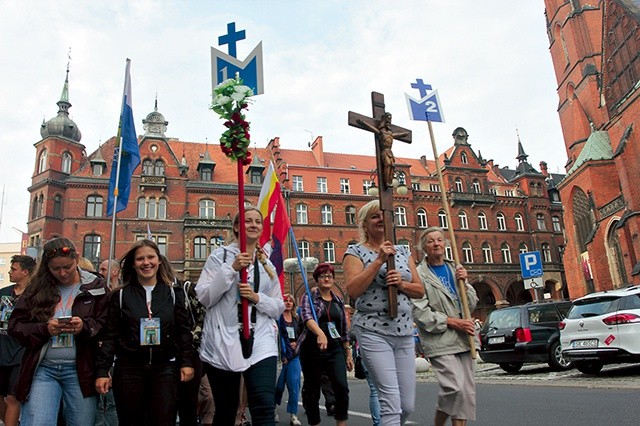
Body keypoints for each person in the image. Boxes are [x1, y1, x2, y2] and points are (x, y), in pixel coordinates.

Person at [196, 207, 284, 426]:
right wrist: (231, 269)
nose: (253, 225)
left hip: (260, 340)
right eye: (247, 221)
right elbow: (205, 297)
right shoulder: (219, 257)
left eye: (258, 222)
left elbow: (278, 306)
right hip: (224, 340)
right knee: (226, 410)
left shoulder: (268, 265)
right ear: (236, 227)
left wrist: (257, 298)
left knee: (264, 403)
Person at [8, 237, 109, 425]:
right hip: (43, 369)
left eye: (67, 267)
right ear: (47, 267)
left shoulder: (96, 285)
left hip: (82, 369)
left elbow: (108, 325)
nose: (62, 273)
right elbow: (15, 326)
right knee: (38, 421)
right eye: (55, 269)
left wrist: (85, 327)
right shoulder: (36, 288)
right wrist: (44, 329)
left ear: (77, 258)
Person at [95, 239, 195, 426]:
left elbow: (183, 331)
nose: (146, 262)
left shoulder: (174, 293)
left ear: (159, 260)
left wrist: (186, 362)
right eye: (140, 259)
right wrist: (102, 370)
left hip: (164, 369)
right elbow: (110, 335)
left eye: (151, 257)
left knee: (163, 420)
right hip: (129, 369)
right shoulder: (120, 295)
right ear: (133, 264)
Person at [343, 200, 424, 425]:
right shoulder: (354, 252)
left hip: (405, 332)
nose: (381, 220)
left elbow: (419, 290)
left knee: (406, 405)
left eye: (385, 216)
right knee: (390, 401)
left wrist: (402, 284)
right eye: (375, 216)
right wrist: (378, 260)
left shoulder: (403, 251)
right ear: (364, 224)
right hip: (373, 330)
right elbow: (353, 290)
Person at [412, 226, 479, 426]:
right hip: (440, 339)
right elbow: (420, 313)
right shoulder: (419, 274)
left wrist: (465, 283)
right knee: (454, 388)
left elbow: (471, 304)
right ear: (424, 247)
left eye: (440, 239)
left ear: (445, 244)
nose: (436, 243)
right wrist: (452, 322)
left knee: (465, 393)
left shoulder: (455, 268)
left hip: (465, 338)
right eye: (431, 241)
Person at [298, 263, 353, 426]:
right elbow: (307, 317)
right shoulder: (309, 297)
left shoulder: (338, 301)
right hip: (312, 349)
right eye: (322, 276)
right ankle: (314, 422)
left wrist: (348, 352)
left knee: (341, 386)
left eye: (329, 275)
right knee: (312, 390)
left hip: (334, 348)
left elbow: (343, 329)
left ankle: (341, 422)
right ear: (317, 280)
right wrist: (320, 333)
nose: (327, 278)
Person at [0, 255, 36, 426]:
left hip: (21, 352)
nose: (10, 272)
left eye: (14, 269)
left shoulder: (35, 296)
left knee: (13, 397)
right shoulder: (3, 293)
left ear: (25, 272)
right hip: (1, 348)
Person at [95, 260, 120, 426]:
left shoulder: (121, 295)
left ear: (115, 272)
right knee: (98, 403)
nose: (100, 271)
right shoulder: (98, 295)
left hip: (118, 357)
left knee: (112, 403)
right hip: (101, 355)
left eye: (104, 269)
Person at [357, 112, 409, 188]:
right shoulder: (381, 132)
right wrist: (363, 122)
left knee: (392, 166)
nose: (389, 124)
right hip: (384, 151)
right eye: (387, 122)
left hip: (390, 151)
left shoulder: (390, 133)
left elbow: (396, 135)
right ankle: (386, 181)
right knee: (388, 164)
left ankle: (389, 181)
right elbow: (372, 128)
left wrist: (404, 134)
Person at [275, 294, 302, 426]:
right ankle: (273, 407)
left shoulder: (297, 319)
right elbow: (278, 338)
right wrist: (283, 354)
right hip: (282, 356)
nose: (288, 303)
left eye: (291, 301)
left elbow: (302, 335)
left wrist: (297, 343)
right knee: (278, 386)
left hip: (295, 357)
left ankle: (293, 415)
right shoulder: (277, 319)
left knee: (294, 385)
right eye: (286, 300)